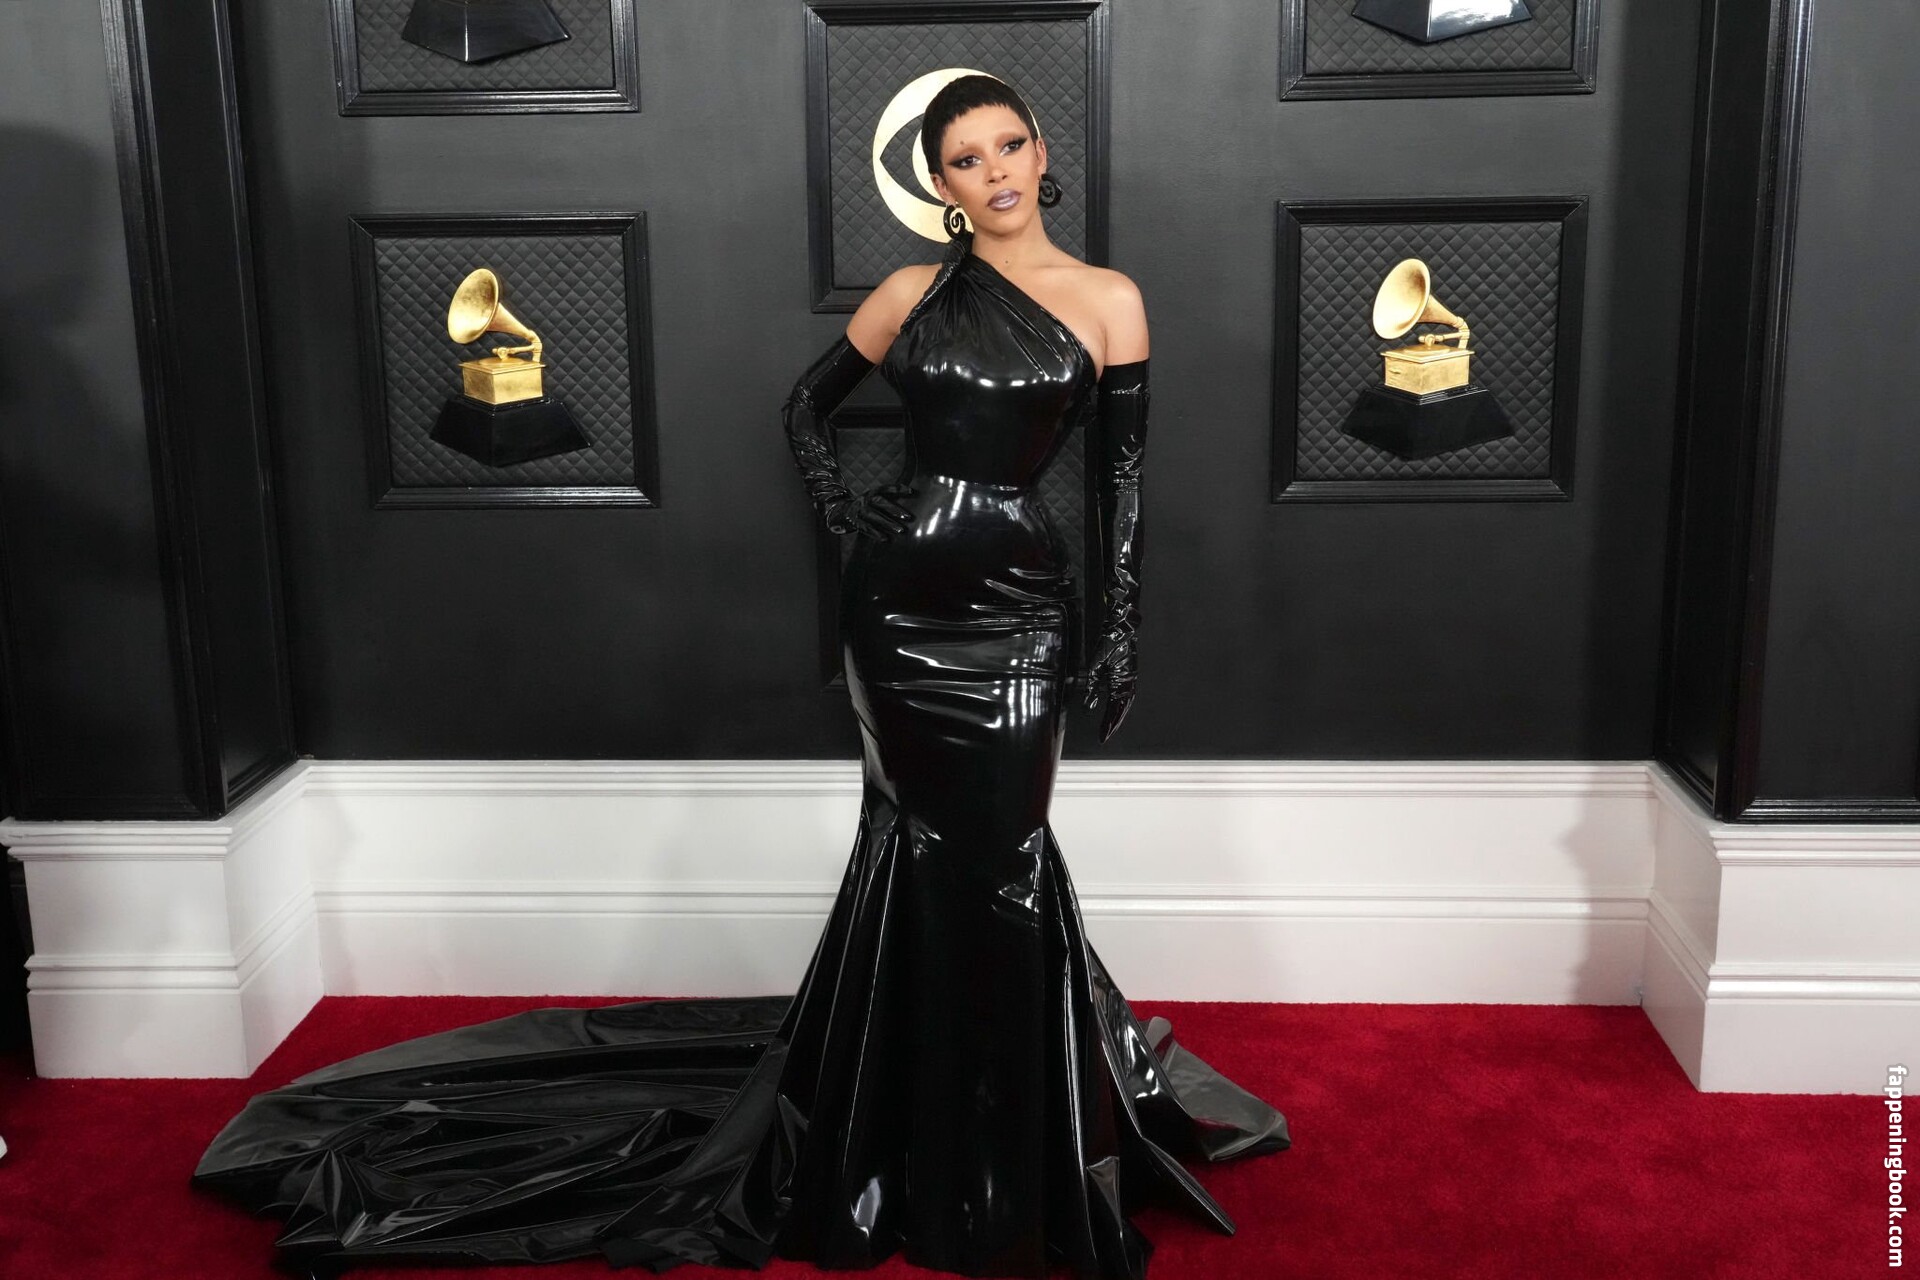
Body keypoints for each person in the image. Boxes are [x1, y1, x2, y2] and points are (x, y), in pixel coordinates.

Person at [192, 74, 1289, 1279]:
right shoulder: (911, 295)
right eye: (968, 159)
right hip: (897, 615)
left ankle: (1002, 1156)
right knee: (921, 848)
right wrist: (846, 509)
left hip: (1022, 609)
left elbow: (1120, 483)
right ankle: (903, 1139)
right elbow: (805, 409)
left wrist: (1119, 633)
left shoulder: (1110, 299)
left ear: (1040, 153)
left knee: (1005, 859)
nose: (997, 172)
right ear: (940, 184)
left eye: (1009, 145)